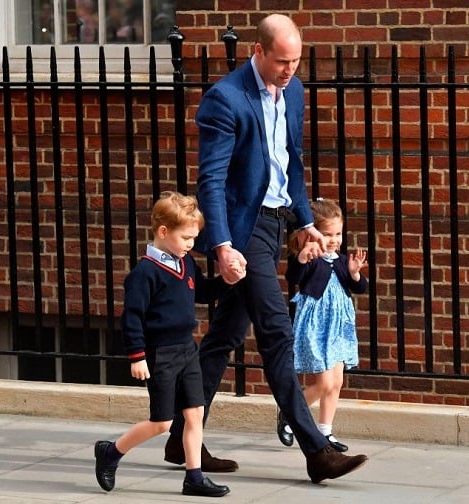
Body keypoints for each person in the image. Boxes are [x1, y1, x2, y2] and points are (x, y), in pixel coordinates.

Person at [163, 13, 368, 484]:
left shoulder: (292, 91)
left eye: (295, 61)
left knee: (225, 335)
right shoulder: (225, 99)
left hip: (277, 225)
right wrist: (221, 245)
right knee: (277, 331)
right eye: (281, 62)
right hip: (245, 229)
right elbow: (210, 181)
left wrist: (305, 221)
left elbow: (290, 162)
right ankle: (317, 450)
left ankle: (180, 435)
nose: (289, 70)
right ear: (258, 51)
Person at [94, 191, 242, 497]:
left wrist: (229, 280)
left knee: (194, 413)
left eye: (194, 238)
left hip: (188, 349)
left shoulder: (185, 265)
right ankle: (111, 451)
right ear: (163, 232)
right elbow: (132, 318)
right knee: (162, 422)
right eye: (186, 237)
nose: (191, 244)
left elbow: (203, 292)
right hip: (160, 354)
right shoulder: (145, 273)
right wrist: (137, 356)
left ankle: (194, 477)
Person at [276, 199, 368, 453]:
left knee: (336, 382)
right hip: (317, 326)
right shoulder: (309, 258)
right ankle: (289, 414)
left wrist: (355, 273)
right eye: (327, 234)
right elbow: (293, 278)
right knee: (323, 383)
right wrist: (303, 258)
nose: (334, 239)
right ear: (313, 233)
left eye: (338, 233)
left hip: (339, 327)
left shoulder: (340, 260)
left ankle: (325, 431)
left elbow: (360, 288)